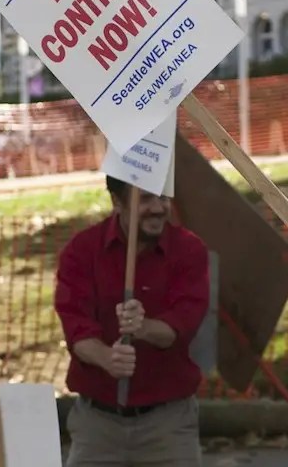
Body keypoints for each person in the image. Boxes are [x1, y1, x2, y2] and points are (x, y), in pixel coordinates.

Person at [54, 176, 211, 467]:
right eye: (145, 199)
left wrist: (144, 328)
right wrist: (106, 357)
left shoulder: (189, 250)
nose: (158, 208)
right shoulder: (82, 251)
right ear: (116, 202)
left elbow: (182, 325)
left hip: (168, 426)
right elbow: (76, 326)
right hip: (97, 425)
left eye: (163, 198)